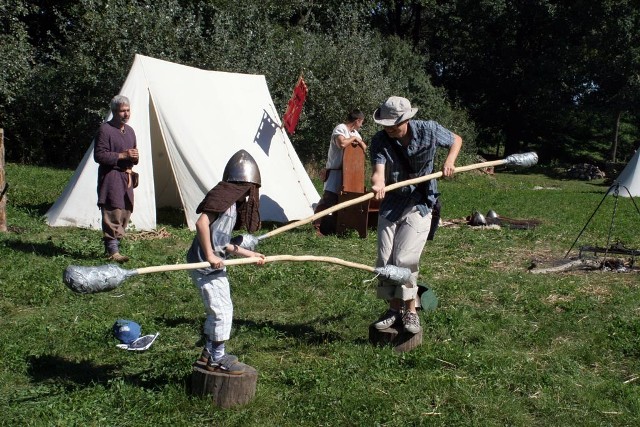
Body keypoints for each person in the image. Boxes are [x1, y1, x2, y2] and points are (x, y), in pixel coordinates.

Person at [369, 96, 462, 334]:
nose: (389, 129)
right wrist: (377, 183)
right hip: (392, 204)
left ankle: (410, 311)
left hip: (420, 202)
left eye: (394, 125)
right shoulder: (380, 140)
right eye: (386, 125)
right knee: (384, 261)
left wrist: (449, 162)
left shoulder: (428, 130)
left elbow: (456, 140)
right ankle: (393, 308)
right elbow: (378, 172)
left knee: (404, 259)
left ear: (407, 119)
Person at [187, 149, 266, 375]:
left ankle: (208, 354)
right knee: (222, 312)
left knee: (220, 310)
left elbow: (223, 243)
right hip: (203, 266)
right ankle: (217, 359)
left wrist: (250, 255)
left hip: (211, 265)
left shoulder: (230, 205)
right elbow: (201, 224)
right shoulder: (222, 201)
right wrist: (210, 255)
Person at [94, 95, 139, 263]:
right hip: (111, 175)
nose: (126, 114)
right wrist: (122, 155)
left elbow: (132, 154)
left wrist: (134, 157)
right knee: (113, 210)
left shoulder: (130, 131)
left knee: (125, 212)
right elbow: (99, 155)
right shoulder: (105, 130)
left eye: (128, 110)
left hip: (126, 176)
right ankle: (112, 251)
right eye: (122, 111)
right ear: (114, 111)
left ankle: (115, 246)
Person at [313, 109, 367, 236]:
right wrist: (353, 138)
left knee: (343, 202)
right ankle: (317, 227)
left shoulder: (355, 133)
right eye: (362, 122)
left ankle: (336, 228)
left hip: (349, 174)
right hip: (335, 172)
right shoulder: (340, 128)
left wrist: (357, 140)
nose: (362, 125)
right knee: (329, 200)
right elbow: (342, 143)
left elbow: (363, 148)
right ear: (357, 120)